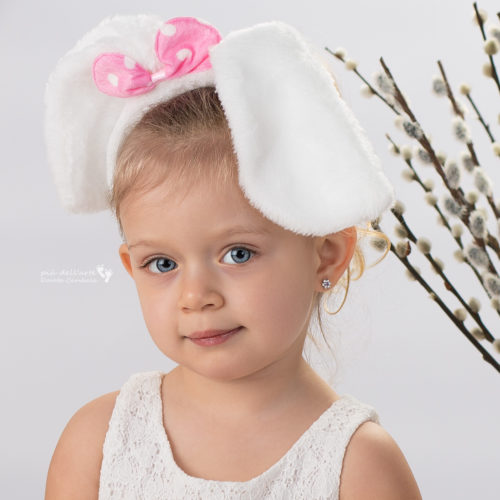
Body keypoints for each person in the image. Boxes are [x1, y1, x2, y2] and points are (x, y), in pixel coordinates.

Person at [43, 15, 422, 499]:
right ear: (131, 268)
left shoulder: (360, 467)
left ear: (326, 255)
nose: (196, 296)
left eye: (238, 254)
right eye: (162, 264)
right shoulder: (97, 444)